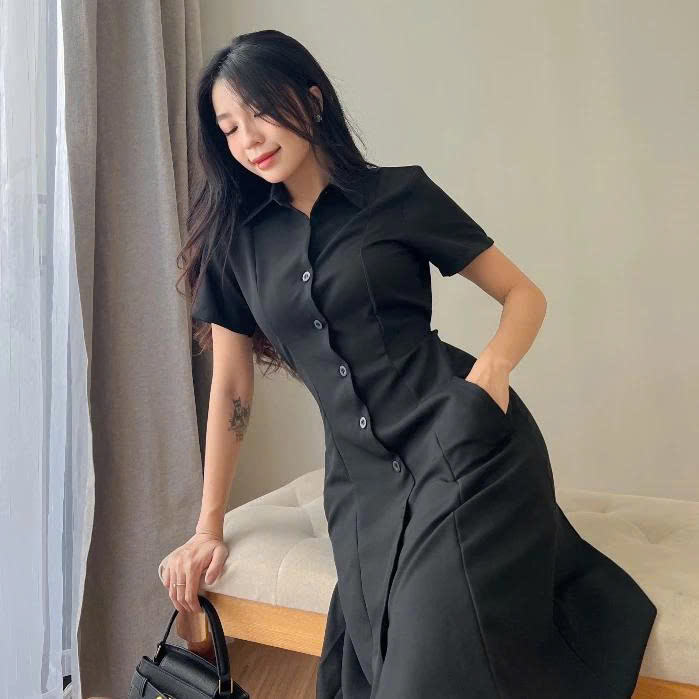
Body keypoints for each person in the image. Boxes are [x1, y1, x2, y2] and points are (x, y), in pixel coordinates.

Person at [162, 29, 657, 698]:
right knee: (387, 658)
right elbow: (230, 386)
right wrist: (208, 525)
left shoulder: (398, 196)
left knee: (430, 661)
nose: (249, 138)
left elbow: (522, 294)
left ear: (312, 101)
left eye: (261, 111)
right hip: (362, 485)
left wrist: (489, 375)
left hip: (466, 449)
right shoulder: (236, 242)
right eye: (229, 128)